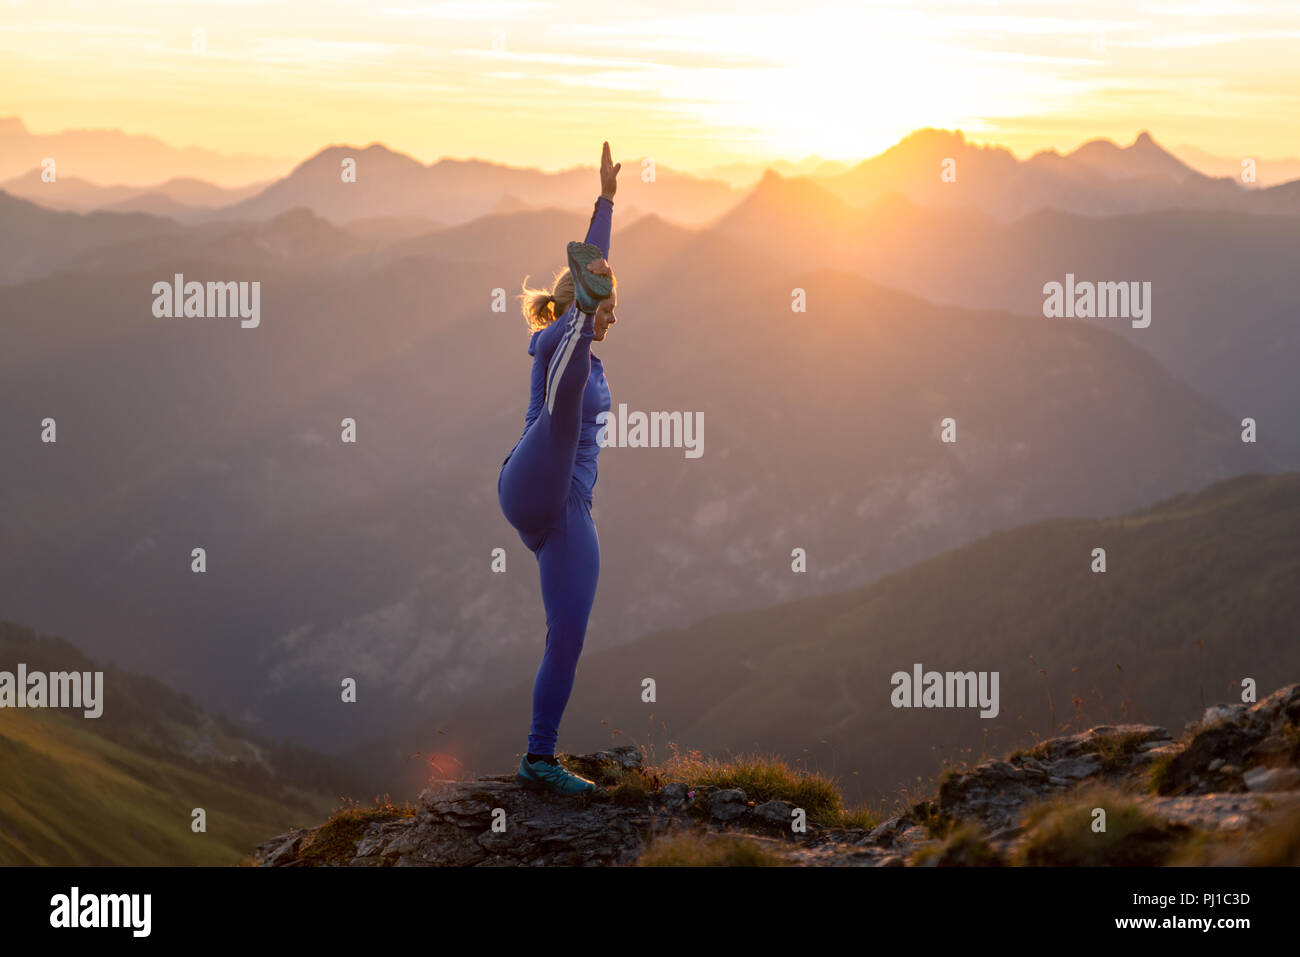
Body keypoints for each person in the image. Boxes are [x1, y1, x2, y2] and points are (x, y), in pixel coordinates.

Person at [497, 142, 621, 795]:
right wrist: (590, 283)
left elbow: (593, 271)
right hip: (540, 474)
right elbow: (588, 288)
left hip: (552, 505)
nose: (614, 315)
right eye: (605, 303)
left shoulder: (579, 342)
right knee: (565, 400)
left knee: (568, 632)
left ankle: (539, 756)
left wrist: (606, 200)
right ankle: (539, 760)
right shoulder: (563, 339)